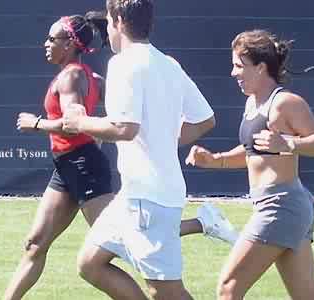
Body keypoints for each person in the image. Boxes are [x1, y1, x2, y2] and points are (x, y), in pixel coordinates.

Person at [61, 1, 238, 299]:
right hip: (137, 195)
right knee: (90, 264)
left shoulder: (123, 63)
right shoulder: (167, 63)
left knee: (165, 292)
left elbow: (124, 128)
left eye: (108, 20)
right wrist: (163, 139)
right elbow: (205, 119)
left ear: (117, 20)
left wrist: (80, 121)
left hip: (147, 199)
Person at [186, 29, 314, 300]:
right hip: (283, 205)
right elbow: (252, 153)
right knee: (310, 296)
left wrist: (289, 144)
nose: (233, 73)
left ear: (260, 67)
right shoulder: (251, 103)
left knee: (228, 289)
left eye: (239, 66)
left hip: (281, 206)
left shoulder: (285, 103)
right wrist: (215, 160)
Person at [3, 12, 114, 300]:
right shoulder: (87, 76)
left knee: (123, 240)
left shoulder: (72, 76)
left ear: (70, 44)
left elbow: (70, 123)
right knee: (35, 244)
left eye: (52, 39)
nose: (46, 44)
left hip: (84, 165)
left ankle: (201, 223)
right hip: (67, 166)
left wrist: (36, 123)